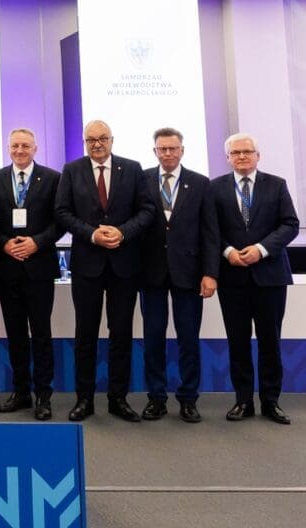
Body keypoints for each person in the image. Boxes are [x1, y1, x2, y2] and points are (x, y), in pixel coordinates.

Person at [55, 119, 154, 422]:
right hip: (87, 265)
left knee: (121, 333)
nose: (96, 144)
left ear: (112, 140)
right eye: (90, 139)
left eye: (102, 138)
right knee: (85, 334)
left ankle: (118, 399)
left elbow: (147, 210)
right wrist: (92, 234)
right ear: (84, 142)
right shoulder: (72, 170)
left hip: (124, 265)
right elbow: (62, 212)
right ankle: (84, 399)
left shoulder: (132, 169)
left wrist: (123, 232)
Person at [210, 133, 299, 425]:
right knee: (237, 341)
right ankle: (243, 400)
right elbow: (210, 229)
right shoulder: (214, 188)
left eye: (247, 152)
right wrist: (227, 252)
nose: (242, 157)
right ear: (227, 158)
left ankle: (271, 401)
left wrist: (261, 249)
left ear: (258, 155)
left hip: (270, 277)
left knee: (270, 341)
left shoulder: (277, 185)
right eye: (236, 153)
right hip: (232, 276)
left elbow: (290, 224)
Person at [138, 128, 219, 423]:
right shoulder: (141, 180)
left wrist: (210, 273)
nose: (168, 153)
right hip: (151, 273)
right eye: (163, 149)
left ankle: (188, 399)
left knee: (188, 339)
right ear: (155, 151)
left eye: (173, 148)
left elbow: (210, 232)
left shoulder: (200, 183)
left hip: (189, 273)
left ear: (182, 150)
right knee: (153, 339)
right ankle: (156, 398)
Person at [0, 128, 63, 421]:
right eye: (15, 145)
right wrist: (4, 243)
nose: (20, 150)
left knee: (41, 334)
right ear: (8, 148)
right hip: (7, 268)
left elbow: (61, 221)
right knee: (15, 334)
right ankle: (21, 392)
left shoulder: (53, 178)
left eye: (25, 146)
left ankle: (44, 395)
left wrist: (37, 242)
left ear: (35, 149)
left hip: (39, 267)